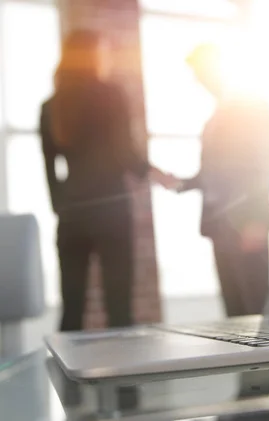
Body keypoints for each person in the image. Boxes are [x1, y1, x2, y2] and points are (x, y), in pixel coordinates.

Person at [39, 30, 177, 332]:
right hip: (111, 212)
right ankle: (126, 380)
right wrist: (159, 176)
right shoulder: (111, 95)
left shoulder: (51, 106)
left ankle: (67, 379)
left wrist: (61, 207)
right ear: (94, 56)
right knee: (119, 307)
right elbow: (125, 153)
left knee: (72, 308)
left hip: (72, 214)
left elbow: (49, 169)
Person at [175, 43, 269, 317]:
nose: (198, 80)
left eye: (200, 72)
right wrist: (177, 183)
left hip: (245, 223)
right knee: (235, 315)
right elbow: (209, 174)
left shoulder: (252, 104)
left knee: (257, 311)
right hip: (218, 225)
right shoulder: (213, 121)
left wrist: (255, 220)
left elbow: (262, 163)